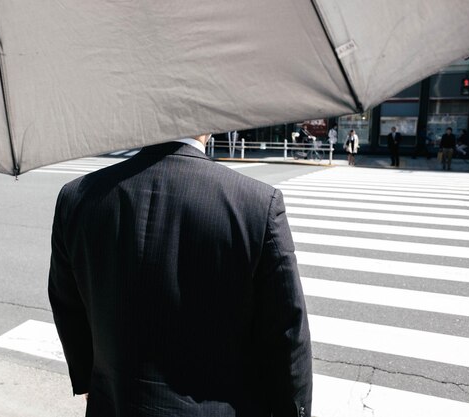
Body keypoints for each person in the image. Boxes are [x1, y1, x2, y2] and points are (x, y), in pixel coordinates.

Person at [48, 136, 313, 417]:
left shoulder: (77, 197)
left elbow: (67, 305)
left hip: (115, 404)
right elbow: (287, 336)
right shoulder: (256, 204)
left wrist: (92, 381)